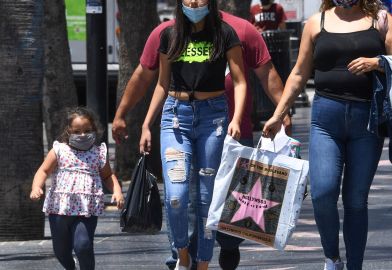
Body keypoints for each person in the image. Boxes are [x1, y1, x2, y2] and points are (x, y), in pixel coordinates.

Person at [112, 9, 290, 270]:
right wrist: (122, 114)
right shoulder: (168, 33)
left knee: (226, 217)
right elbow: (145, 75)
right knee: (183, 199)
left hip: (229, 134)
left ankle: (224, 253)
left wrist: (282, 112)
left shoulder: (240, 30)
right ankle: (183, 260)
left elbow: (267, 73)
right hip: (179, 123)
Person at [262, 0, 392, 269]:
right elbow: (298, 73)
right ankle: (332, 257)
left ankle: (355, 265)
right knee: (322, 193)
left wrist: (376, 62)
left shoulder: (381, 20)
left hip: (367, 120)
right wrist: (279, 113)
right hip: (325, 120)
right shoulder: (316, 22)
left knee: (355, 200)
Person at [139, 0, 248, 269]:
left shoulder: (224, 33)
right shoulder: (170, 34)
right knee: (176, 195)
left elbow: (240, 80)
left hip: (214, 119)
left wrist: (236, 118)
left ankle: (203, 263)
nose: (194, 2)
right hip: (176, 117)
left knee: (206, 199)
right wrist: (146, 124)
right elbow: (162, 83)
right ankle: (183, 255)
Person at [30, 107, 124, 270]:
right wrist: (36, 187)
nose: (82, 135)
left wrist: (117, 191)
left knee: (83, 246)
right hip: (59, 209)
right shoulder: (59, 150)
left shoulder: (98, 153)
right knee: (60, 251)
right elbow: (43, 170)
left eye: (87, 130)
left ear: (94, 130)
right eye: (77, 131)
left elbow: (108, 176)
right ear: (69, 131)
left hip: (86, 210)